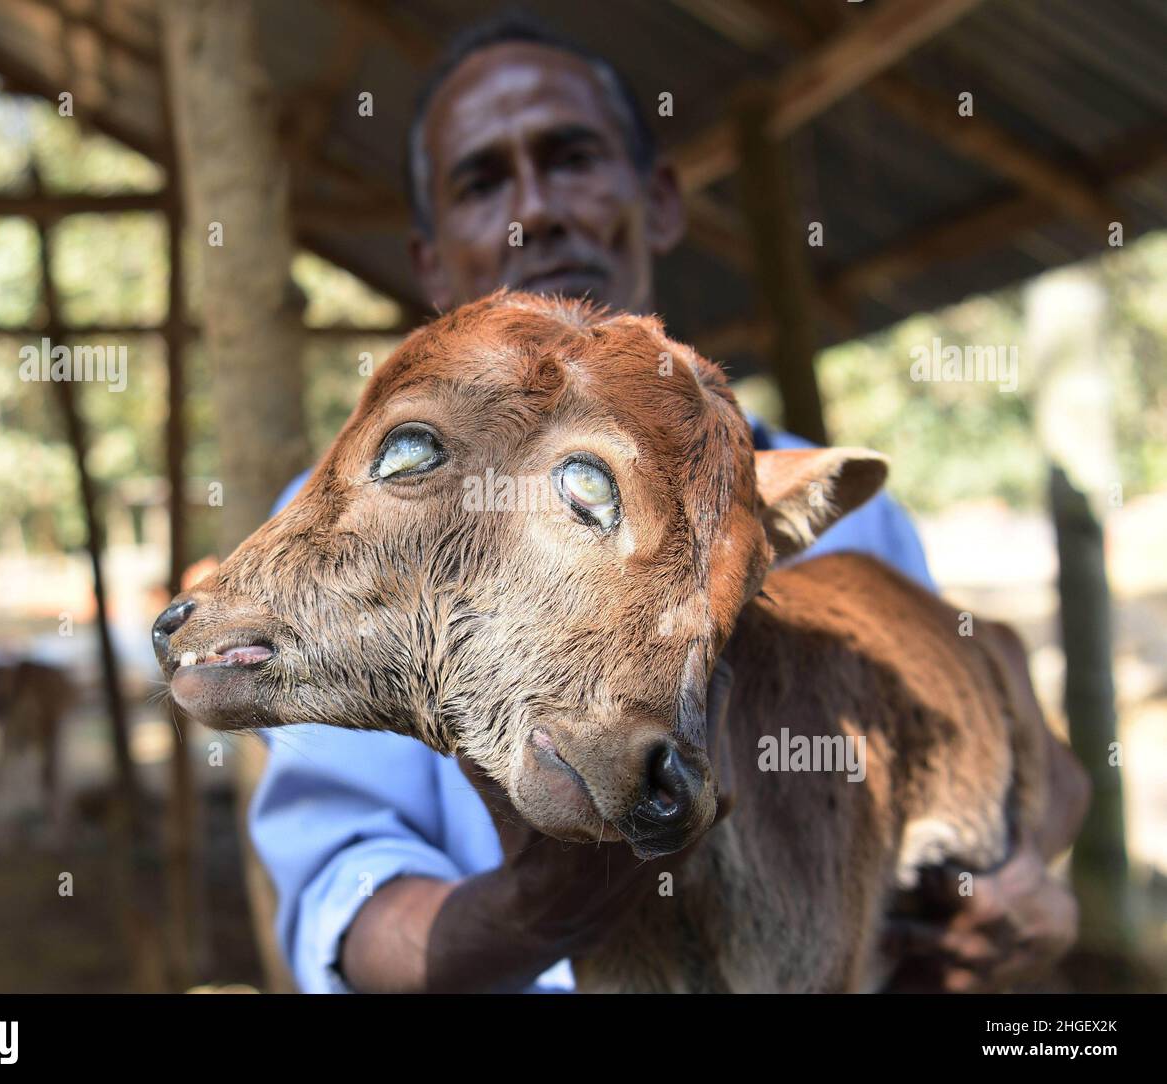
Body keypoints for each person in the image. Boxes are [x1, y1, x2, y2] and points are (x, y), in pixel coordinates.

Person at [248, 16, 1085, 994]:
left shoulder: (837, 508)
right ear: (433, 265)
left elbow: (979, 760)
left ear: (656, 202)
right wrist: (536, 910)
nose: (537, 212)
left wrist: (1028, 890)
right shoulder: (337, 539)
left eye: (571, 159)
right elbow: (346, 908)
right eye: (482, 181)